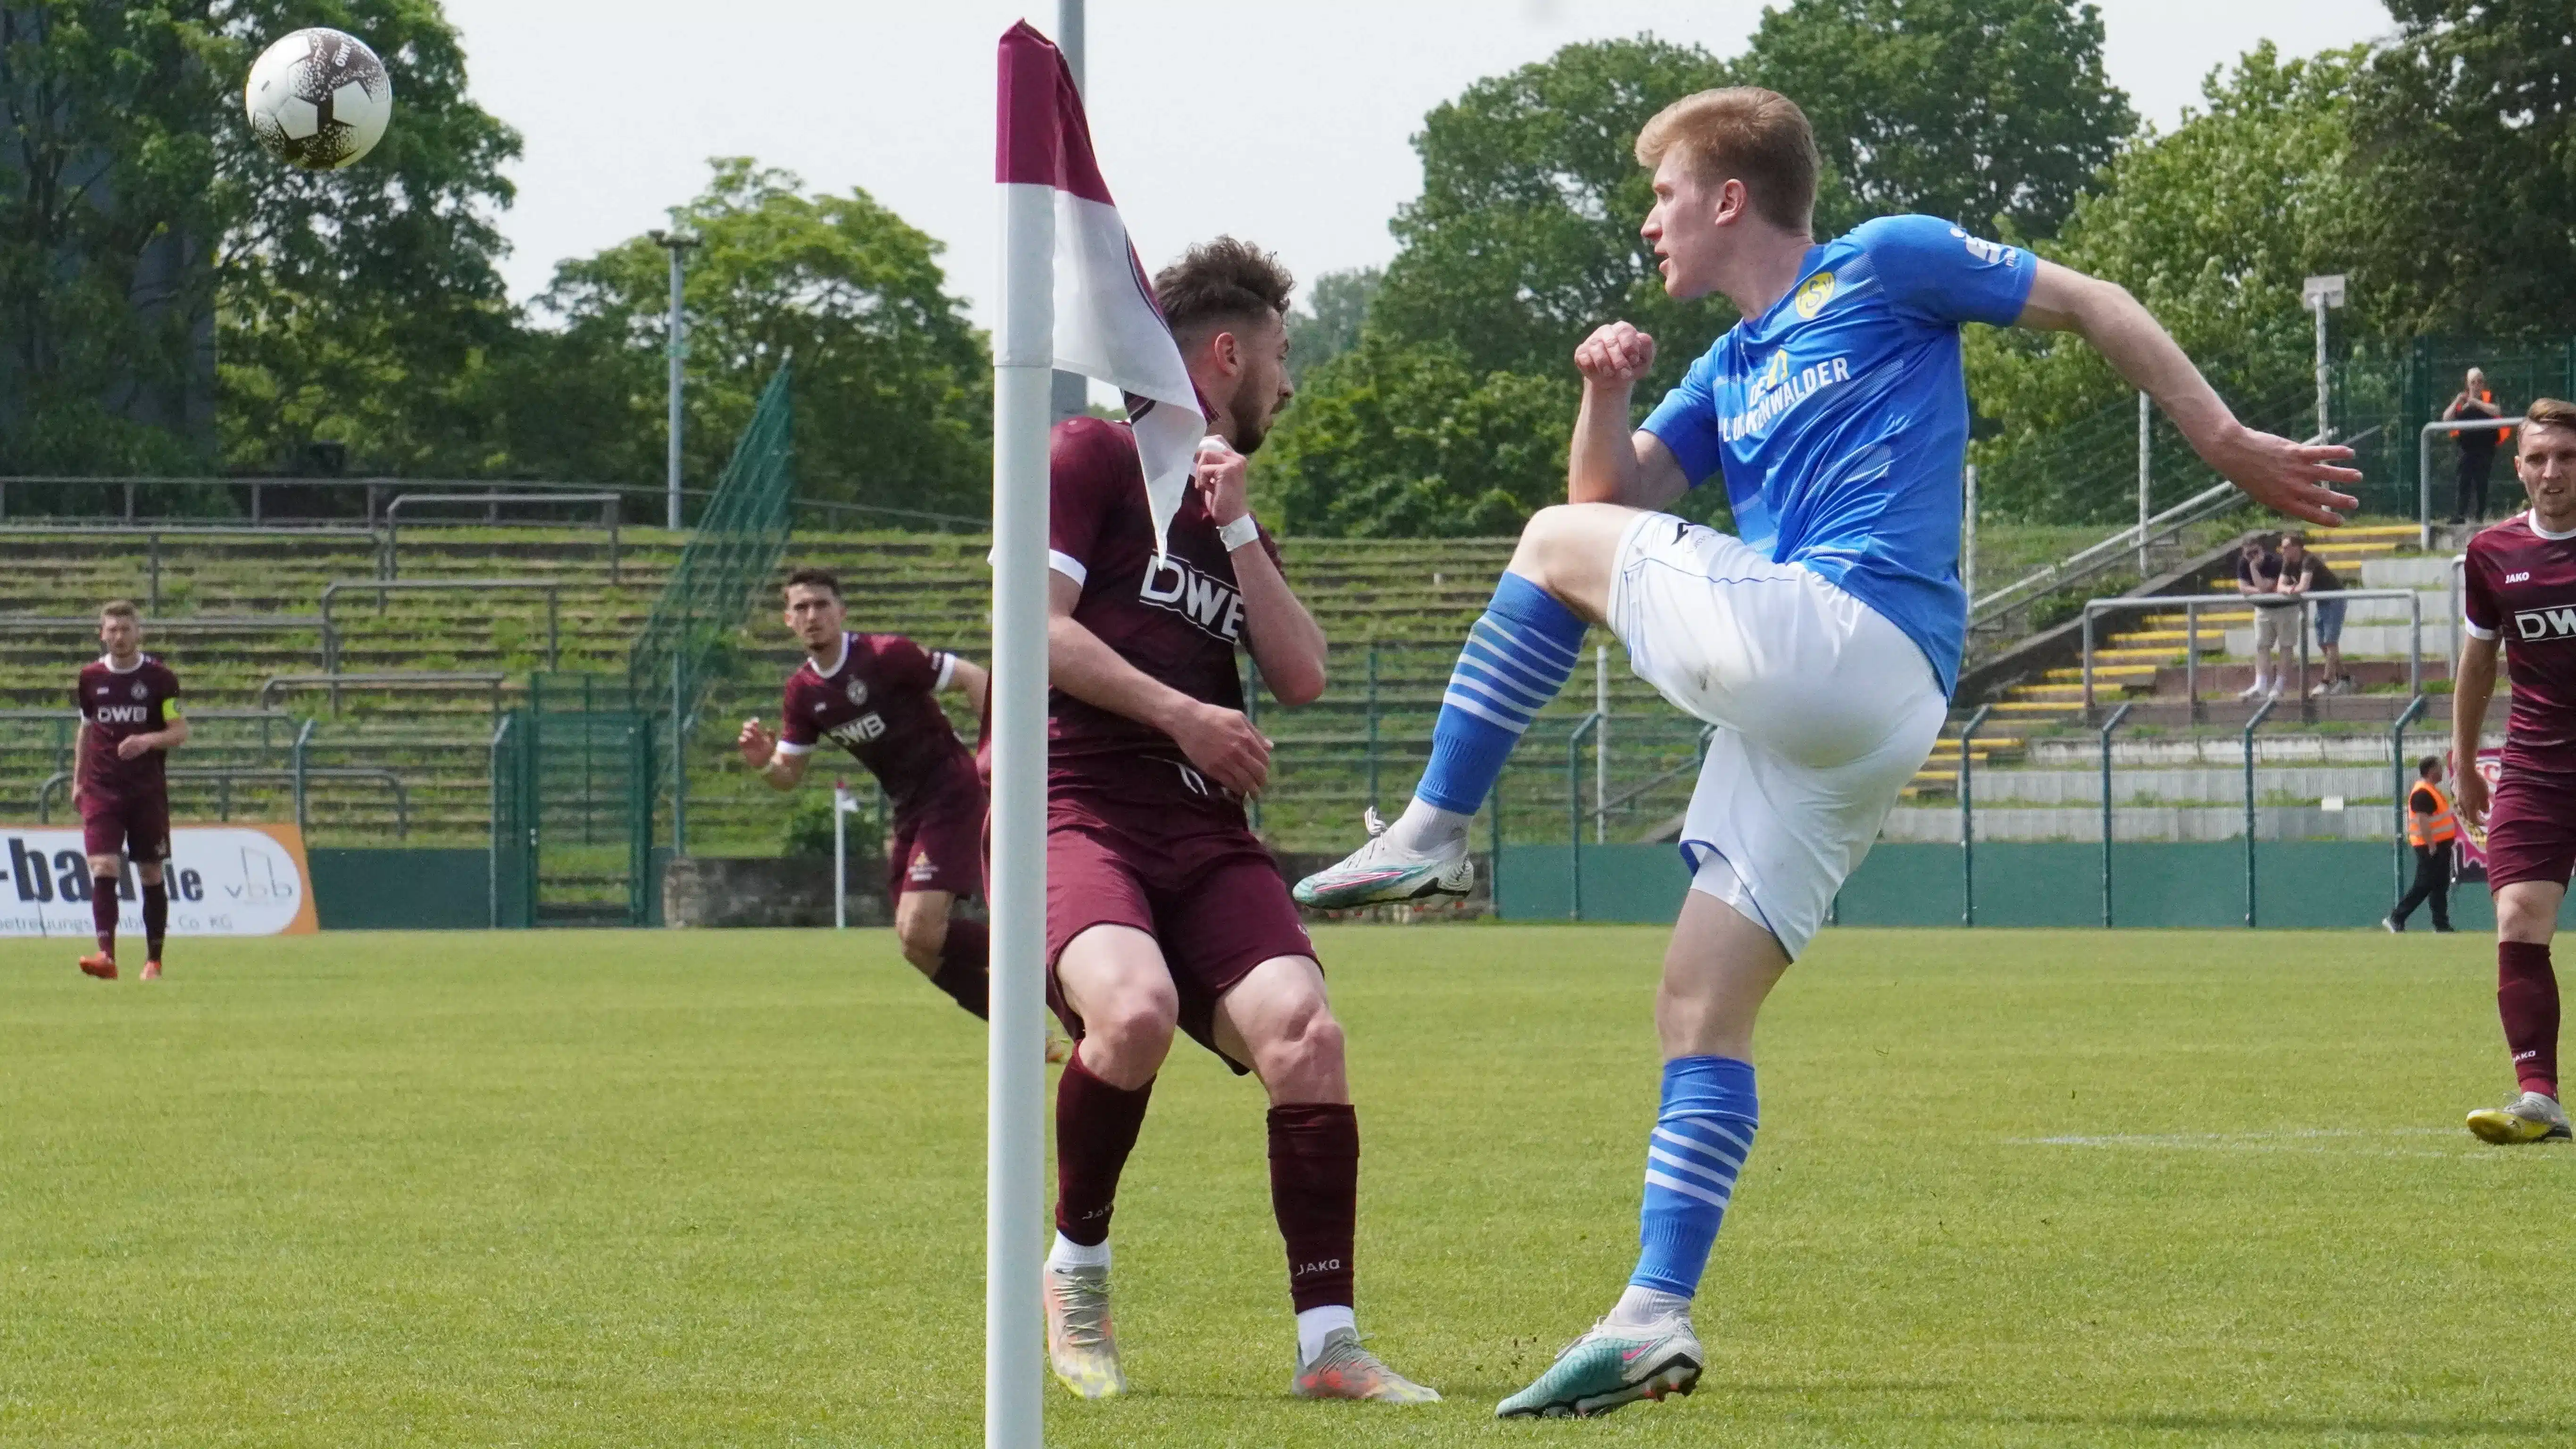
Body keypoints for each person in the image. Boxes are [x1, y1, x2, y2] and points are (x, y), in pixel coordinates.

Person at [1293, 86, 2358, 1418]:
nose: (1649, 223)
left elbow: (2092, 300)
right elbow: (1602, 503)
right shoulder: (1724, 370)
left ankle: (1434, 832)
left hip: (1851, 638)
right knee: (1696, 1003)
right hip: (1840, 710)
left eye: (1664, 195)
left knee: (1541, 547)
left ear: (1728, 197)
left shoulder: (1886, 260)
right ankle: (1650, 1315)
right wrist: (1605, 394)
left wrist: (2223, 437)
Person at [1037, 237, 1436, 1405]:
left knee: (1307, 1034)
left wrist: (1245, 529)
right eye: (1281, 351)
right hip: (1080, 807)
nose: (1289, 378)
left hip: (1203, 832)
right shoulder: (1090, 455)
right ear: (1228, 349)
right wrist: (1184, 715)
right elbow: (1036, 624)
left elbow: (1302, 673)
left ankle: (1331, 1345)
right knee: (1136, 1009)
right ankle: (1080, 1270)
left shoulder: (1226, 503)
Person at [736, 569, 999, 1022]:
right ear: (788, 620)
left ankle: (1042, 955)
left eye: (821, 605)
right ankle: (1027, 1033)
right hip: (909, 809)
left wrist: (995, 755)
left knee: (921, 928)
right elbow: (788, 776)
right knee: (916, 946)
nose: (812, 615)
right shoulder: (802, 693)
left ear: (842, 612)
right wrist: (763, 764)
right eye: (801, 608)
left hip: (952, 791)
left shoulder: (886, 656)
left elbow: (976, 678)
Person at [2450, 397, 2576, 1145]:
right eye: (2538, 459)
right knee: (2518, 917)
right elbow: (2478, 662)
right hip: (2535, 761)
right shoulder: (2491, 553)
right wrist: (2465, 762)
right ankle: (2539, 1097)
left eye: (2566, 458)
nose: (2552, 472)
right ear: (2519, 466)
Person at [73, 600, 188, 981]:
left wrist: (147, 740)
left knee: (151, 872)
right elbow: (87, 730)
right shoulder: (90, 677)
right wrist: (78, 780)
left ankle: (153, 960)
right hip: (102, 789)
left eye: (126, 629)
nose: (119, 637)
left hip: (146, 791)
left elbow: (179, 732)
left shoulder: (160, 679)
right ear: (101, 634)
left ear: (138, 632)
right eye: (112, 630)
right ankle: (106, 955)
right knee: (103, 866)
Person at [2384, 756, 2458, 933]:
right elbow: (2423, 820)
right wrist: (2431, 845)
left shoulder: (2432, 790)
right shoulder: (2423, 792)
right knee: (2424, 884)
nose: (2443, 771)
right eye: (2439, 768)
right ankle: (2396, 918)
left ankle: (2441, 924)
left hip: (2440, 845)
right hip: (2430, 847)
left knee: (2440, 884)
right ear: (2431, 770)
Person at [2279, 532, 2351, 697]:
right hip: (2321, 601)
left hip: (2335, 599)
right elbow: (2280, 586)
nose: (2283, 551)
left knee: (2330, 642)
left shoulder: (2308, 560)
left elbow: (2303, 587)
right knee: (2322, 643)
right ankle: (2345, 678)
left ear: (2296, 548)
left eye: (2286, 548)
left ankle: (2326, 682)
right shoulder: (2288, 562)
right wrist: (2290, 589)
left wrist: (2290, 590)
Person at [2235, 533, 2296, 701]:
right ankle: (2260, 686)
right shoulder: (2243, 562)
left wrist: (2254, 570)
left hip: (2285, 608)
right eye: (2249, 554)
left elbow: (2264, 586)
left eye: (2256, 552)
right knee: (2262, 646)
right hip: (2263, 609)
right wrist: (2261, 592)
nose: (2253, 557)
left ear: (2262, 549)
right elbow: (2244, 588)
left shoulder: (2275, 562)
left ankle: (2279, 686)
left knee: (2285, 646)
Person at [2443, 368, 2506, 525]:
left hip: (2486, 448)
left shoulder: (2489, 397)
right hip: (2466, 449)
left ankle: (2479, 516)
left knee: (2481, 482)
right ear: (2468, 384)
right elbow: (2446, 419)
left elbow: (2497, 411)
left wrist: (2476, 403)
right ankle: (2460, 515)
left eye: (2480, 382)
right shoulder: (2462, 400)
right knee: (2463, 481)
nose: (2477, 385)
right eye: (2473, 382)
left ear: (2483, 384)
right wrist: (2458, 402)